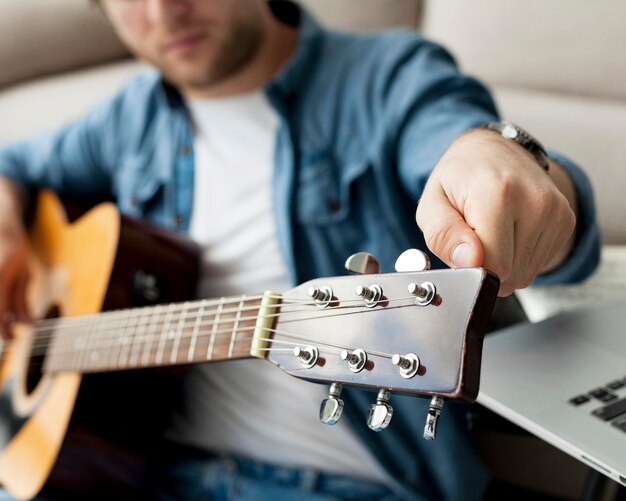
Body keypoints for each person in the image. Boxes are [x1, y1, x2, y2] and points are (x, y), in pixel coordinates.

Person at [0, 0, 600, 499]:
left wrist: (505, 161)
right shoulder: (129, 119)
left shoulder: (388, 75)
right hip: (140, 471)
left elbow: (486, 166)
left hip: (346, 486)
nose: (165, 13)